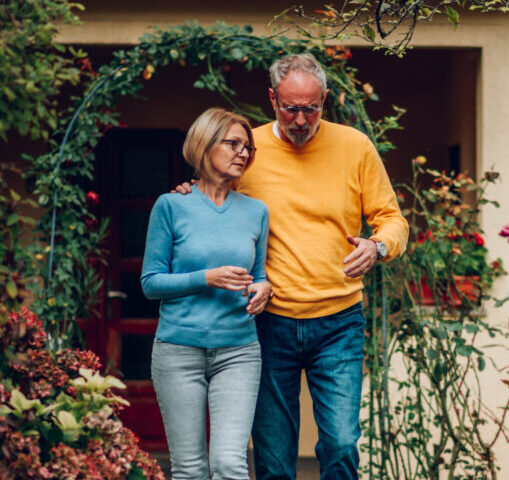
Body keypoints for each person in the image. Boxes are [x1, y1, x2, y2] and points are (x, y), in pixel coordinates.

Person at [175, 53, 409, 480]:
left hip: (339, 322)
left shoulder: (354, 146)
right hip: (268, 323)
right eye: (290, 108)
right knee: (274, 455)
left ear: (325, 99)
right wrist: (191, 191)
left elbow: (393, 219)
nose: (301, 119)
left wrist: (376, 247)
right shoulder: (249, 151)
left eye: (311, 108)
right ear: (272, 99)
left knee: (340, 444)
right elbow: (212, 199)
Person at [142, 107, 273, 480]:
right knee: (189, 469)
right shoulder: (171, 206)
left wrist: (264, 288)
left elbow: (259, 274)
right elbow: (150, 283)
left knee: (229, 464)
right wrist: (206, 278)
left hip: (239, 352)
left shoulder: (255, 212)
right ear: (204, 144)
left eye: (248, 147)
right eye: (234, 143)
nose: (243, 153)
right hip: (178, 352)